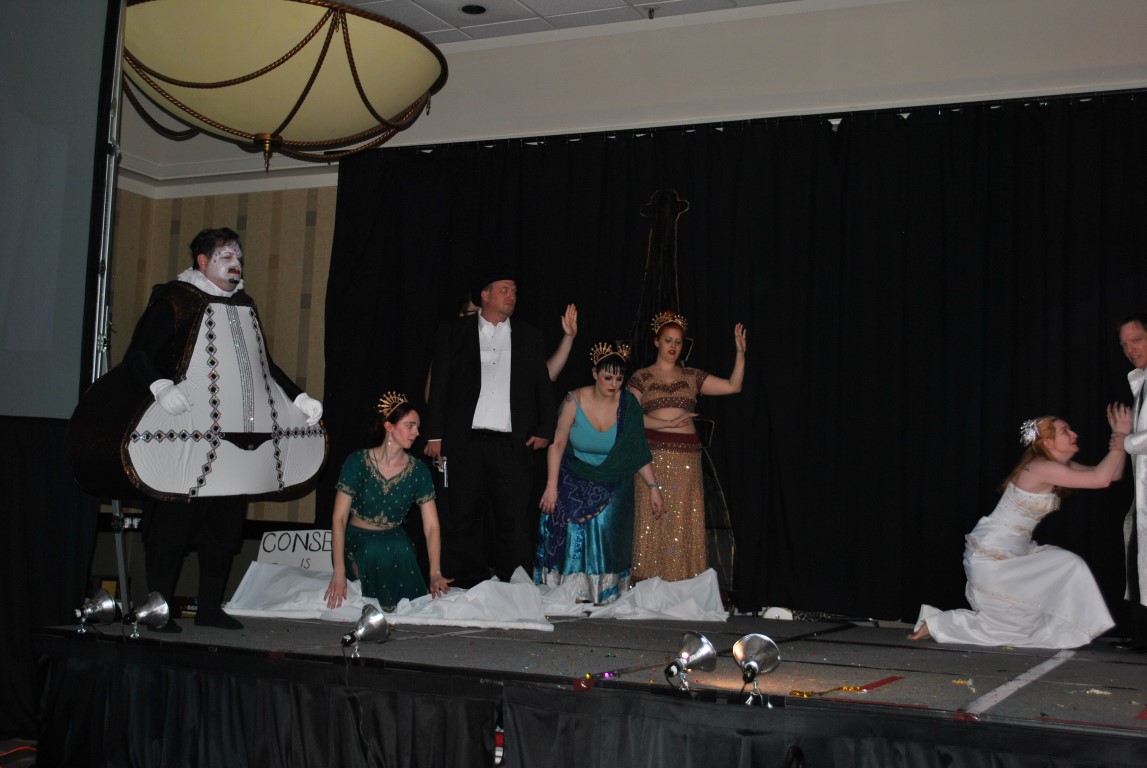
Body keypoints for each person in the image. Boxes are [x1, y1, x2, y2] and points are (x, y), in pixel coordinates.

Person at [103, 227, 324, 631]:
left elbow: (263, 367)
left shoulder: (245, 305)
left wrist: (299, 397)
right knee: (171, 529)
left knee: (223, 530)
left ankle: (209, 607)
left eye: (238, 256)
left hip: (234, 441)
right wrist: (160, 387)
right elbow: (138, 355)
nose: (236, 263)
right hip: (182, 436)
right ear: (202, 262)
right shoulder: (175, 299)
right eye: (226, 256)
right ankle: (158, 609)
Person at [907, 411, 1129, 649]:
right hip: (993, 555)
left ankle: (937, 624)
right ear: (1048, 442)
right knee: (1019, 619)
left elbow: (1112, 473)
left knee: (1031, 613)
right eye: (1065, 431)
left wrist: (1120, 440)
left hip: (1014, 552)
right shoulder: (1040, 467)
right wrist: (1120, 436)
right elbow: (1101, 479)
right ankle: (939, 623)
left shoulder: (1054, 466)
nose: (1074, 434)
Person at [423, 272, 557, 585]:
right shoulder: (456, 331)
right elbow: (440, 385)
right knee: (463, 514)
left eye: (514, 291)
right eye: (504, 290)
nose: (512, 296)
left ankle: (514, 583)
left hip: (511, 443)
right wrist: (435, 435)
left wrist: (545, 429)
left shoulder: (529, 336)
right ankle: (466, 582)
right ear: (485, 295)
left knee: (513, 517)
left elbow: (543, 386)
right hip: (465, 440)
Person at [536, 342, 664, 604]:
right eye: (608, 377)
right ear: (595, 374)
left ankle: (603, 590)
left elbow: (637, 451)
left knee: (604, 520)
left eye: (619, 379)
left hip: (613, 478)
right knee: (568, 514)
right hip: (574, 473)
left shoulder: (628, 405)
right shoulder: (574, 400)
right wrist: (551, 487)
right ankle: (570, 589)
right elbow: (557, 444)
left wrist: (654, 488)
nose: (614, 384)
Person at [626, 310, 746, 582]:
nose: (673, 346)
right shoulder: (641, 377)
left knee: (683, 521)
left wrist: (740, 353)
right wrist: (667, 423)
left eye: (678, 342)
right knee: (654, 520)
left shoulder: (691, 375)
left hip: (687, 460)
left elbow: (733, 386)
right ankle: (650, 586)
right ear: (656, 342)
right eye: (668, 340)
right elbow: (628, 419)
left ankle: (683, 584)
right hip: (653, 458)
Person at [324, 392, 451, 611]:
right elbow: (339, 518)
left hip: (394, 539)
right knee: (374, 549)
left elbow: (431, 526)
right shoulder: (357, 462)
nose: (417, 432)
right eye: (410, 426)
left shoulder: (418, 471)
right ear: (389, 427)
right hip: (357, 539)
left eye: (418, 427)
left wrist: (435, 572)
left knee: (402, 549)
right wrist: (338, 572)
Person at [1115, 314, 1147, 651]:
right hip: (1142, 491)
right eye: (1125, 344)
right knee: (1138, 559)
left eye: (1136, 340)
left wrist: (1124, 441)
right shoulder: (1140, 381)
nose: (1129, 349)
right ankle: (1141, 634)